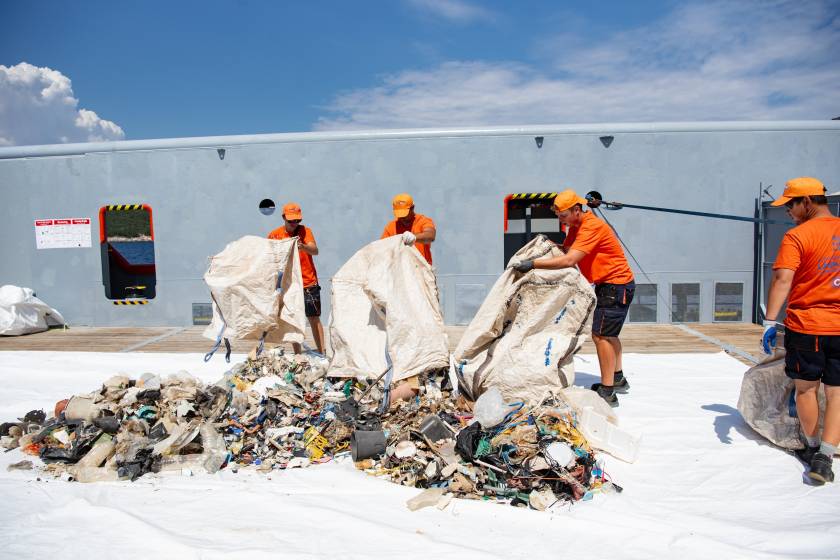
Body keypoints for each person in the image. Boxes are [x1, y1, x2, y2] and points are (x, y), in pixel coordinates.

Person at [512, 189, 635, 407]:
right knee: (609, 334)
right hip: (609, 285)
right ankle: (617, 378)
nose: (562, 221)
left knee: (601, 336)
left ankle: (608, 391)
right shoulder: (576, 227)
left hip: (616, 285)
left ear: (577, 210)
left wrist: (533, 264)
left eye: (564, 216)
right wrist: (546, 247)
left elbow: (570, 260)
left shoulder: (591, 226)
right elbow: (567, 249)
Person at [762, 177, 839, 484]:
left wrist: (769, 321)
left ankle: (813, 448)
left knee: (806, 389)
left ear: (807, 202)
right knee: (836, 393)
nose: (788, 212)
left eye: (791, 205)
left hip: (808, 326)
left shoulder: (798, 236)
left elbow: (783, 279)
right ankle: (827, 456)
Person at [268, 202, 325, 355]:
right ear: (283, 218)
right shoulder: (275, 234)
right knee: (292, 319)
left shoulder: (305, 232)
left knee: (314, 318)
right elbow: (269, 257)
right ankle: (297, 354)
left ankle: (322, 352)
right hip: (289, 284)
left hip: (308, 281)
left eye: (297, 220)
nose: (294, 224)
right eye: (291, 221)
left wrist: (303, 246)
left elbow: (315, 250)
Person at [381, 193, 436, 265]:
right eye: (399, 214)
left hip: (422, 270)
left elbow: (430, 235)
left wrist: (414, 237)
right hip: (399, 271)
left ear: (412, 208)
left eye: (404, 214)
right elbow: (382, 248)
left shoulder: (423, 221)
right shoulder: (391, 227)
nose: (402, 218)